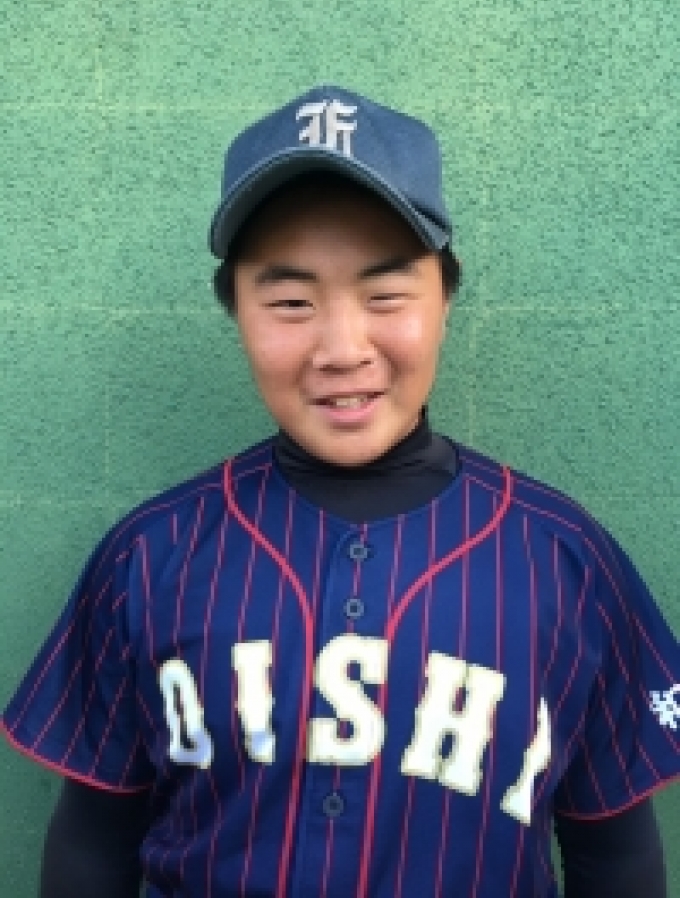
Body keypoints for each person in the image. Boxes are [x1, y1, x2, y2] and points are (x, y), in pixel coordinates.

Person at [2, 84, 679, 898]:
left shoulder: (565, 558)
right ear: (235, 308)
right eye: (291, 302)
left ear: (446, 296)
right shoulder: (149, 556)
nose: (342, 348)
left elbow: (615, 854)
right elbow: (91, 843)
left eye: (385, 295)